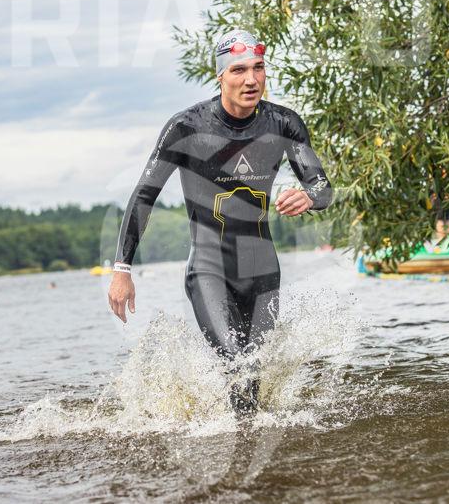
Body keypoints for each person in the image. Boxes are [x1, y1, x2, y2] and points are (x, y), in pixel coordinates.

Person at [108, 29, 333, 414]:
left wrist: (309, 196)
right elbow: (144, 196)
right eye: (239, 70)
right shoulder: (187, 127)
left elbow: (323, 188)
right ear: (221, 76)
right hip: (210, 269)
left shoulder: (283, 124)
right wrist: (122, 269)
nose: (251, 79)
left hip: (263, 271)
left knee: (254, 376)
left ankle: (246, 443)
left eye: (258, 68)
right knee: (238, 365)